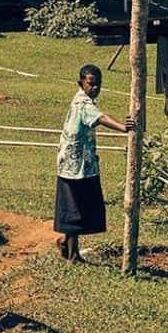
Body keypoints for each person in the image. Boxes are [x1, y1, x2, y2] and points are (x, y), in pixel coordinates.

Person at [54, 63, 134, 263]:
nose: (95, 87)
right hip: (73, 165)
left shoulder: (86, 100)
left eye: (98, 84)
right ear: (81, 83)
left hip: (83, 163)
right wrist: (123, 128)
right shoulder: (83, 103)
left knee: (83, 206)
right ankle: (73, 255)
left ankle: (66, 243)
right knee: (74, 208)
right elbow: (100, 118)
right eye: (91, 83)